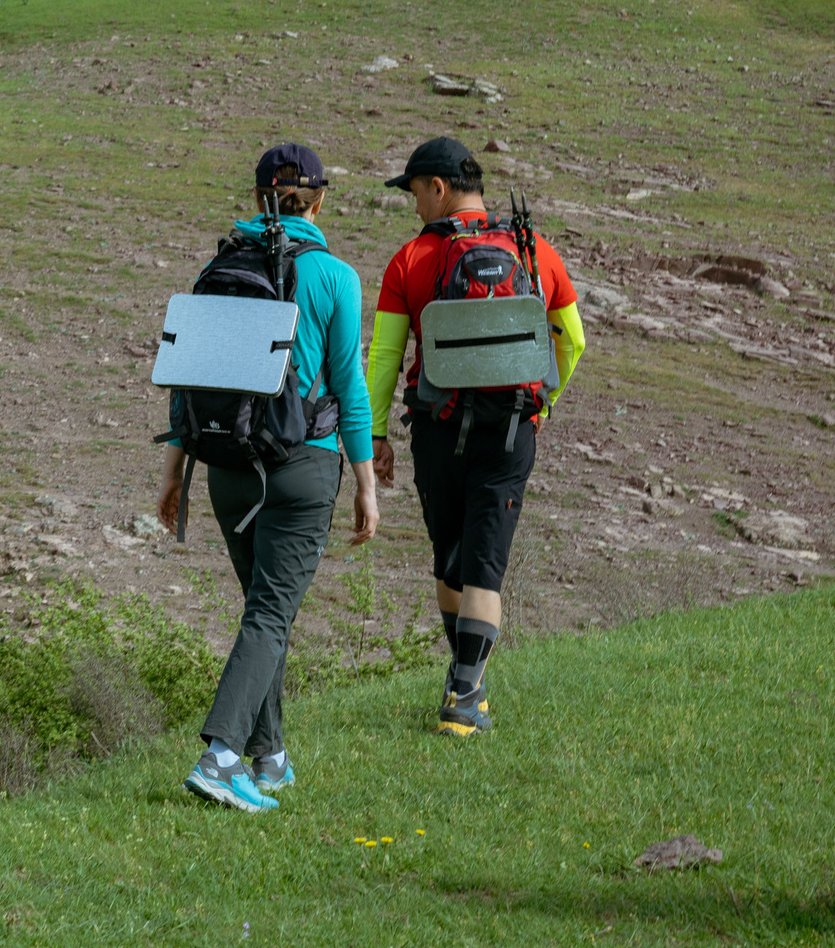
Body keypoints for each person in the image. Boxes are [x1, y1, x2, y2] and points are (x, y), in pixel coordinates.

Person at [156, 143, 377, 812]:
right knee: (271, 614)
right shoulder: (336, 276)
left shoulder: (216, 266)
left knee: (263, 614)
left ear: (258, 197)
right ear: (319, 200)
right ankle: (221, 757)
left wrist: (174, 474)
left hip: (223, 467)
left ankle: (270, 757)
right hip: (303, 465)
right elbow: (350, 386)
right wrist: (366, 482)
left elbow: (185, 380)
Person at [365, 137, 584, 737]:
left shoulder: (409, 261)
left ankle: (464, 685)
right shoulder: (534, 248)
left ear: (438, 188)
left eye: (414, 193)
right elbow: (573, 341)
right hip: (512, 430)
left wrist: (374, 434)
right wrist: (544, 406)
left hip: (437, 431)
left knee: (451, 558)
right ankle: (467, 694)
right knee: (485, 561)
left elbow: (385, 357)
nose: (413, 206)